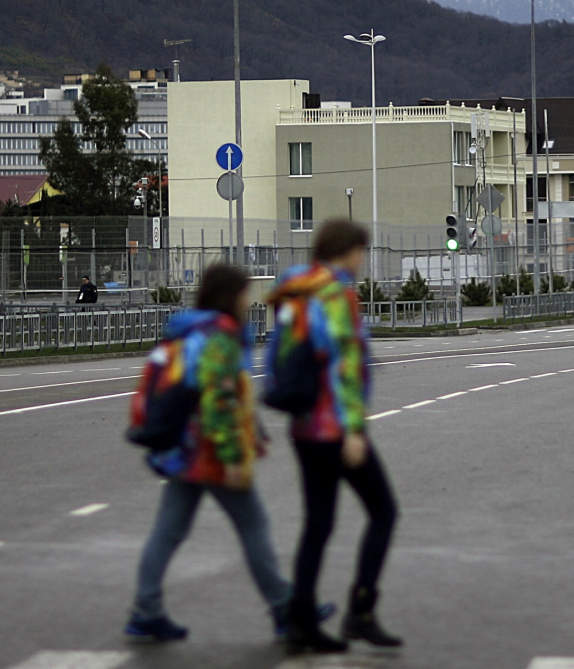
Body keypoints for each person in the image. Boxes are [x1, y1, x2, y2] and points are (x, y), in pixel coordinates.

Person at [125, 264, 326, 643]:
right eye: (244, 292)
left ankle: (145, 610)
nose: (248, 300)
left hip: (185, 448)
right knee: (253, 526)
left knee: (169, 531)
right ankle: (285, 608)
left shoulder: (191, 329)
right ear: (229, 295)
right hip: (210, 451)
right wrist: (233, 454)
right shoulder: (220, 335)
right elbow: (219, 398)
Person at [269, 219, 401, 653]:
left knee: (318, 524)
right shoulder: (336, 294)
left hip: (303, 425)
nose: (362, 259)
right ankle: (360, 611)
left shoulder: (296, 290)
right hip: (334, 427)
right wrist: (355, 430)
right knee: (383, 511)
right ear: (345, 251)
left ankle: (300, 623)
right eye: (360, 251)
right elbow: (345, 365)